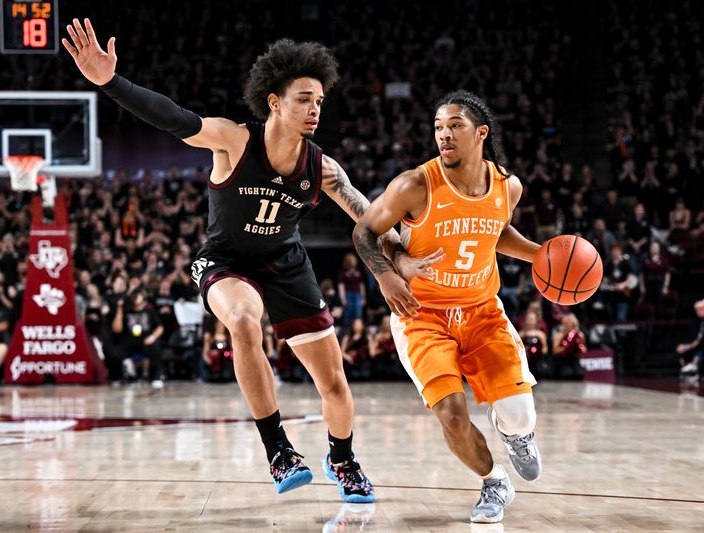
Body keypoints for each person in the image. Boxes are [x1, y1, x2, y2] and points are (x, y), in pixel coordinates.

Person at [62, 18, 437, 501]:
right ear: (274, 102)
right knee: (242, 319)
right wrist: (110, 82)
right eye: (304, 98)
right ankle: (278, 450)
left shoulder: (321, 167)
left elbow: (369, 219)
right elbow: (173, 117)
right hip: (226, 261)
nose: (314, 108)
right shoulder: (233, 139)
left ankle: (342, 459)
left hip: (286, 264)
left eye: (319, 100)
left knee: (336, 386)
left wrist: (398, 261)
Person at [353, 90, 541, 523]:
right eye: (438, 126)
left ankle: (517, 434)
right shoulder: (414, 185)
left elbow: (496, 232)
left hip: (482, 311)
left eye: (454, 125)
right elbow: (365, 231)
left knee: (517, 416)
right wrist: (386, 274)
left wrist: (542, 255)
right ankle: (494, 482)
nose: (444, 134)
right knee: (452, 416)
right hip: (421, 315)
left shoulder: (507, 185)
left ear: (481, 133)